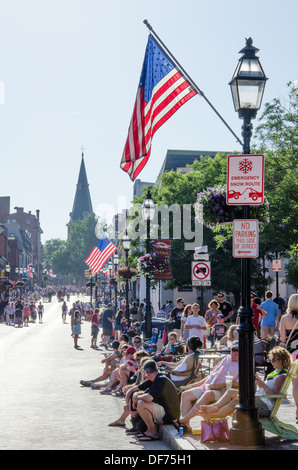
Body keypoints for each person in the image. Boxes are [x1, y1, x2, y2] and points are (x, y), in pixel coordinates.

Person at [196, 346, 292, 422]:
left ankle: (211, 415)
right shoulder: (277, 373)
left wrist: (262, 384)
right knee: (230, 392)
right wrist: (259, 383)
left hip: (265, 407)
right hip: (259, 399)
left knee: (236, 402)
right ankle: (215, 407)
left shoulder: (280, 376)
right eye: (271, 359)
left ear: (282, 360)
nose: (271, 362)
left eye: (274, 359)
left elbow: (274, 397)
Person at [175, 341, 239, 430]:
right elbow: (211, 375)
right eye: (233, 350)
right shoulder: (226, 359)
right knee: (185, 394)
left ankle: (183, 420)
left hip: (221, 390)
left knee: (208, 394)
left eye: (238, 350)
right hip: (207, 386)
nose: (235, 352)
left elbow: (238, 383)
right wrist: (196, 384)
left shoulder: (241, 365)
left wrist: (217, 386)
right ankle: (186, 425)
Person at [131, 359, 180, 441]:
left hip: (170, 416)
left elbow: (148, 398)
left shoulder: (160, 379)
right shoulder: (155, 379)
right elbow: (146, 395)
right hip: (165, 412)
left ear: (147, 372)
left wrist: (137, 397)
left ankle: (153, 433)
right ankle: (149, 430)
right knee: (140, 423)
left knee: (141, 403)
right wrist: (137, 396)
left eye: (144, 372)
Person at [279, 293, 298, 423]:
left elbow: (282, 339)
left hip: (292, 354)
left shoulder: (284, 318)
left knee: (295, 384)